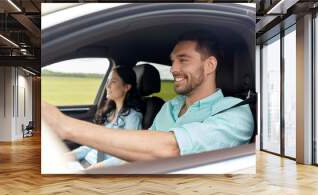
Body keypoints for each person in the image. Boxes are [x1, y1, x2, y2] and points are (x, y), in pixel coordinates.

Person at [42, 30, 254, 162]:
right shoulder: (169, 107)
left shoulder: (235, 112)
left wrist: (64, 126)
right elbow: (140, 149)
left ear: (210, 65)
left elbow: (171, 149)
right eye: (173, 61)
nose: (173, 69)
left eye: (183, 60)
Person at [70, 66, 143, 169]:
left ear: (126, 87)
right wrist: (70, 155)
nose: (107, 85)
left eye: (113, 82)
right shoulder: (108, 112)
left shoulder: (133, 117)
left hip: (99, 169)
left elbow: (129, 155)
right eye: (108, 81)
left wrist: (97, 168)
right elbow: (93, 144)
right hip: (84, 163)